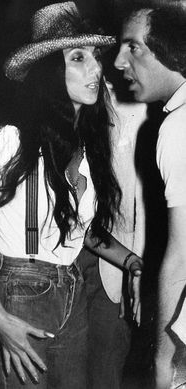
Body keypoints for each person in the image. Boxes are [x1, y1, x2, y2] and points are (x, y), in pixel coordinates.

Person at [0, 2, 143, 388]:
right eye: (78, 58)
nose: (96, 69)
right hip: (19, 297)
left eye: (95, 57)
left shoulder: (88, 149)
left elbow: (84, 233)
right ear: (50, 72)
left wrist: (133, 263)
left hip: (73, 300)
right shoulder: (11, 141)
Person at [114, 4, 186, 389]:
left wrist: (162, 359)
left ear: (170, 49)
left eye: (133, 47)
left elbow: (181, 257)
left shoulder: (179, 126)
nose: (119, 61)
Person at [82, 73, 147, 389]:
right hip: (59, 260)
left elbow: (143, 203)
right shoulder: (74, 95)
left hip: (114, 260)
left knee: (105, 371)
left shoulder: (142, 101)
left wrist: (133, 273)